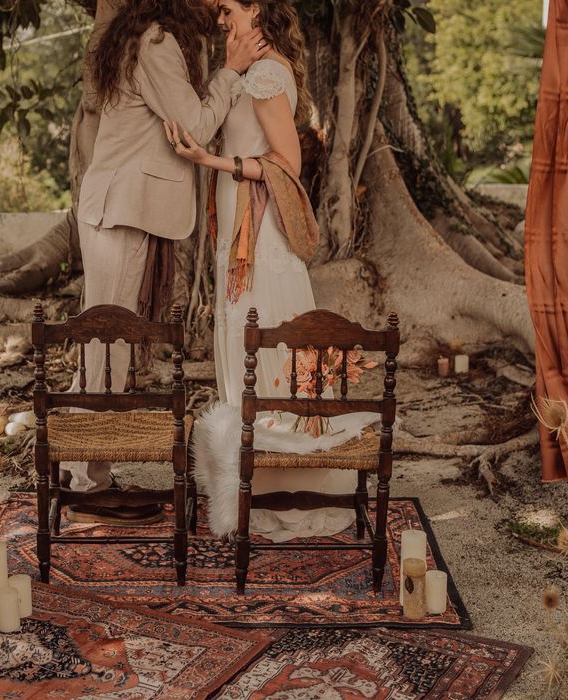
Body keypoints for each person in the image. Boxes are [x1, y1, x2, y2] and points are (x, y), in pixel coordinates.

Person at [167, 0, 379, 542]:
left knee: (258, 344)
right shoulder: (251, 72)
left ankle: (275, 487)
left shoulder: (264, 73)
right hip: (241, 234)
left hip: (257, 241)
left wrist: (212, 162)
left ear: (255, 8)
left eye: (226, 9)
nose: (219, 20)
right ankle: (251, 485)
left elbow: (288, 160)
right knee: (245, 342)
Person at [63, 0, 269, 524]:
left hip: (120, 208)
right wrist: (232, 71)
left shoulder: (150, 37)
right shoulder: (156, 42)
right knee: (104, 344)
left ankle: (78, 469)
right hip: (120, 211)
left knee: (101, 343)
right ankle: (86, 483)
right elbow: (195, 127)